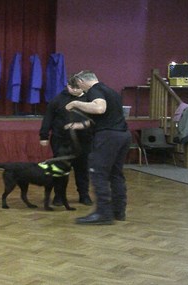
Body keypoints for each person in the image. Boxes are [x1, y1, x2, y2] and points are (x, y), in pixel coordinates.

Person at [65, 70, 131, 225]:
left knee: (97, 172)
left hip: (108, 137)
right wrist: (80, 125)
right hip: (123, 135)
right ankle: (118, 211)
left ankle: (103, 213)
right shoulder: (110, 91)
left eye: (78, 84)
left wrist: (75, 103)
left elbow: (99, 108)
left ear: (81, 81)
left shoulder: (95, 90)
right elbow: (104, 117)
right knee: (116, 174)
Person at [39, 77, 93, 207]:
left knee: (82, 168)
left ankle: (84, 195)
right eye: (71, 87)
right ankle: (58, 196)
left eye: (77, 88)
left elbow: (95, 119)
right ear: (67, 85)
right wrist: (44, 136)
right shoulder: (57, 99)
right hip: (60, 139)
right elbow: (48, 118)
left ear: (83, 86)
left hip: (83, 140)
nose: (74, 90)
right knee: (59, 169)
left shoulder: (90, 99)